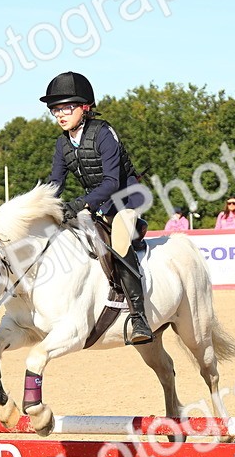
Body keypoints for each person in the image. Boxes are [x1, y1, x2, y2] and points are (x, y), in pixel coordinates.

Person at [41, 71, 152, 344]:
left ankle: (139, 319)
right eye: (55, 110)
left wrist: (81, 203)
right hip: (98, 203)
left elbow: (113, 182)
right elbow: (56, 182)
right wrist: (42, 207)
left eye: (66, 108)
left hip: (127, 199)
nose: (60, 115)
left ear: (84, 107)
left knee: (120, 239)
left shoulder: (103, 133)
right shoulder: (62, 143)